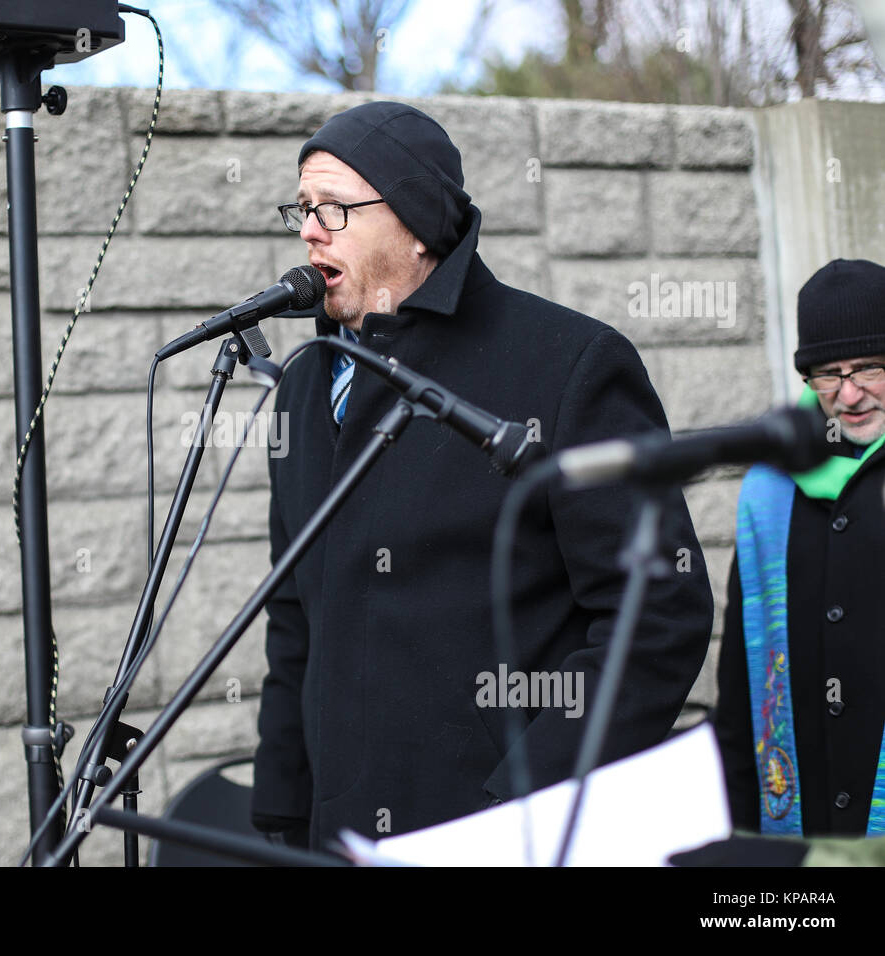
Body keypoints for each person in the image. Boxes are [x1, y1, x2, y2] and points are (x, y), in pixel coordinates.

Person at [251, 101, 714, 851]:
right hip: (339, 840)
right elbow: (296, 615)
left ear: (417, 221)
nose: (309, 230)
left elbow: (656, 615)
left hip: (511, 834)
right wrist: (280, 811)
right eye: (302, 209)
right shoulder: (305, 387)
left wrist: (523, 802)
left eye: (334, 208)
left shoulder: (569, 365)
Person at [714, 258, 885, 838]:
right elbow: (740, 686)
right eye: (827, 374)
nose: (850, 393)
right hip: (801, 819)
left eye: (868, 367)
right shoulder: (769, 488)